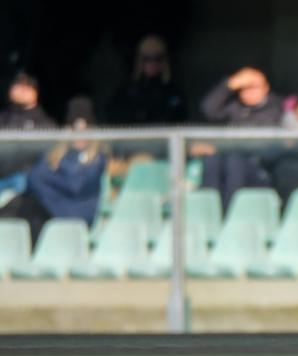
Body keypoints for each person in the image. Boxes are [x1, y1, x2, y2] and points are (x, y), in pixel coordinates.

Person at [0, 96, 106, 243]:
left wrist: (52, 176)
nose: (80, 135)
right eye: (75, 129)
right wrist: (57, 179)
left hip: (72, 215)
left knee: (30, 211)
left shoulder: (97, 159)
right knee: (20, 205)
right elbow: (34, 176)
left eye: (85, 129)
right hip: (47, 208)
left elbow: (76, 185)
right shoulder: (57, 153)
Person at [198, 67, 282, 208]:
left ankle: (230, 214)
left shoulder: (276, 107)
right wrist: (230, 84)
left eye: (253, 87)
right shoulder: (236, 106)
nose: (249, 92)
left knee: (234, 161)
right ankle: (209, 211)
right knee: (212, 159)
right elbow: (209, 109)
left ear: (265, 88)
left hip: (261, 166)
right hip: (231, 159)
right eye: (244, 88)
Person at [107, 35, 185, 125]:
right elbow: (114, 113)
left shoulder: (173, 90)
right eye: (147, 58)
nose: (152, 63)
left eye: (157, 58)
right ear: (140, 61)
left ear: (164, 61)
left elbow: (179, 115)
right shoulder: (127, 90)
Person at [0, 72, 56, 197]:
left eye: (27, 86)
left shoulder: (45, 123)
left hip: (26, 181)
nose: (22, 90)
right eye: (18, 85)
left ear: (35, 92)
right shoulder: (3, 118)